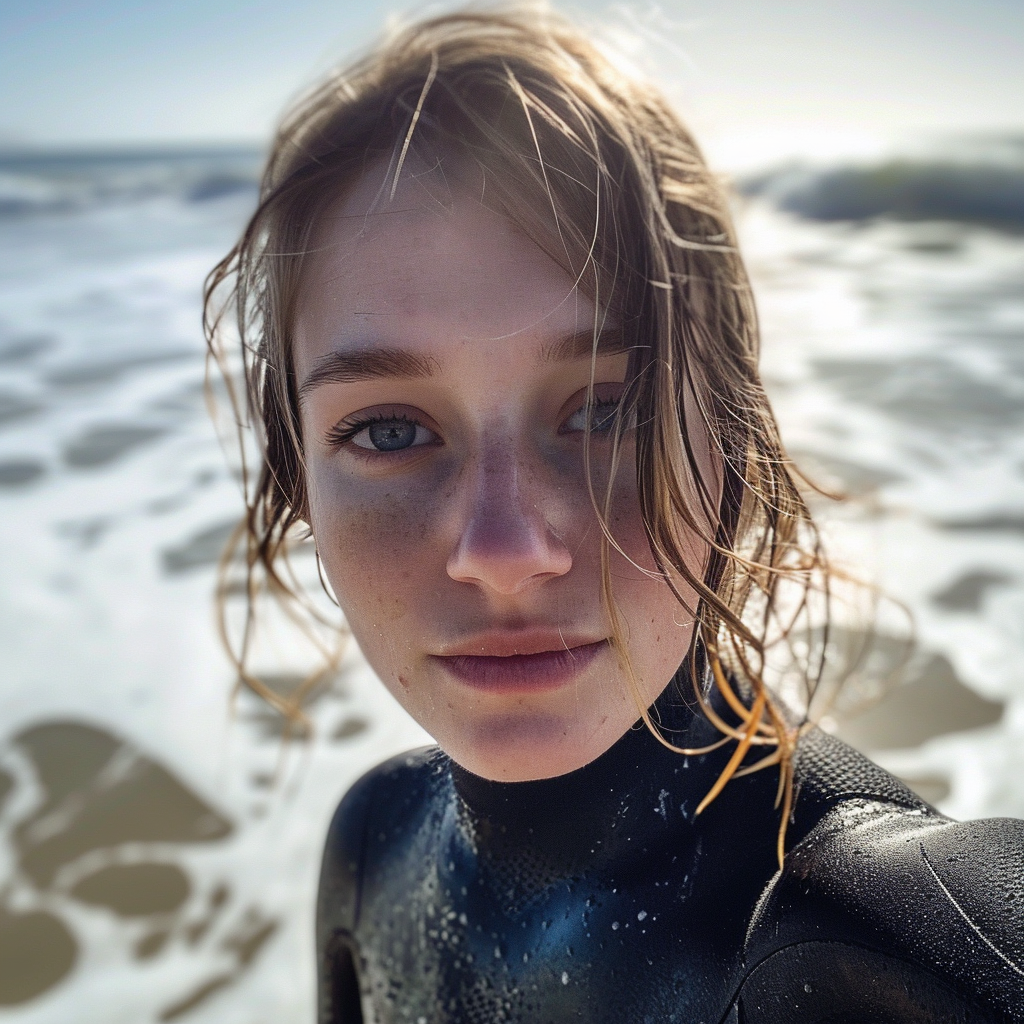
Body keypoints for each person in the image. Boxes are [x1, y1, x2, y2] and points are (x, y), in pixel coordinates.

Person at [204, 7, 1024, 1022]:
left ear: (727, 432)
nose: (503, 553)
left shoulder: (894, 941)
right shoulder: (371, 845)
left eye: (605, 409)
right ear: (296, 474)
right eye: (386, 431)